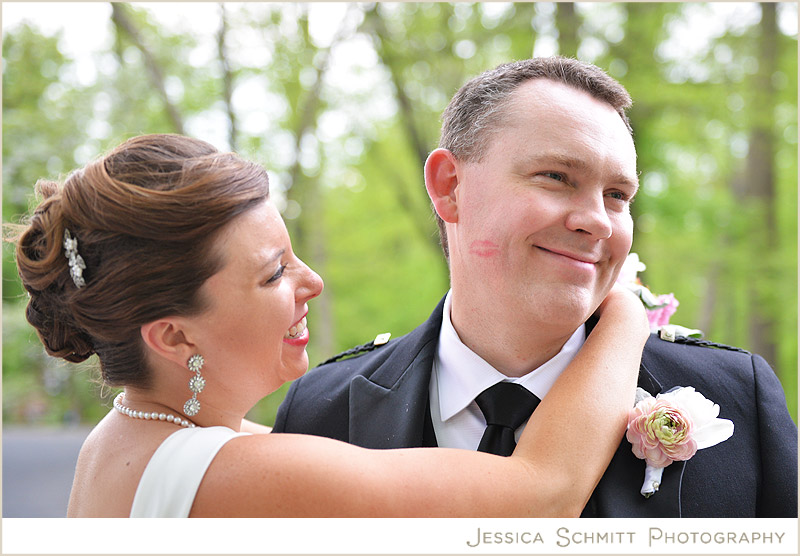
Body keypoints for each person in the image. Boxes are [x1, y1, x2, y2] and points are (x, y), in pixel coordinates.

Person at [11, 133, 650, 518]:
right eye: (273, 275)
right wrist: (624, 303)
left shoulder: (123, 440)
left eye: (293, 257)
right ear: (174, 336)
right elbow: (543, 493)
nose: (312, 282)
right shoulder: (227, 471)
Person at [275, 56, 798, 518]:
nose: (596, 220)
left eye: (617, 194)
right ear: (450, 187)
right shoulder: (319, 411)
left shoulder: (735, 398)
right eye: (556, 177)